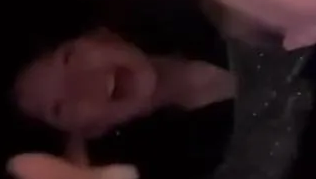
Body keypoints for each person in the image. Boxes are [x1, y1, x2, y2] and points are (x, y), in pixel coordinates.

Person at [13, 27, 236, 137]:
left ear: (102, 34)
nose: (79, 83)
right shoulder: (198, 172)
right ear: (91, 131)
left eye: (68, 58)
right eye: (59, 108)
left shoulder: (214, 12)